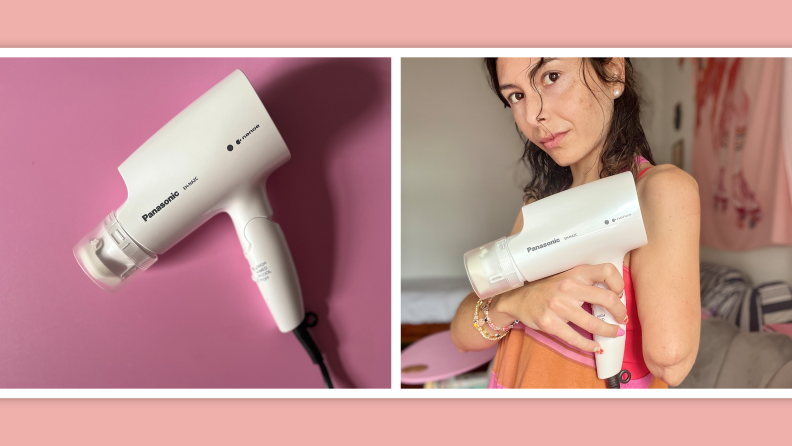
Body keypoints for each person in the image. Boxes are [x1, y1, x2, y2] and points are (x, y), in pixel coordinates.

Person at [449, 58, 701, 388]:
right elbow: (462, 334)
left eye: (551, 77)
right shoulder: (537, 209)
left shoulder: (657, 192)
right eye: (516, 96)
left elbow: (670, 359)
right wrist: (517, 303)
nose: (532, 116)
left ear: (613, 70)